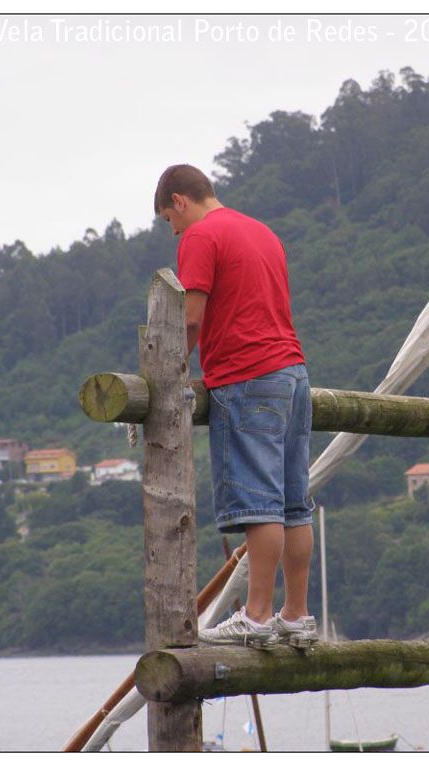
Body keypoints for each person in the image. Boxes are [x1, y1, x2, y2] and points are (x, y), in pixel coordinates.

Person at [153, 164, 317, 649]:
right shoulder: (262, 231)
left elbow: (191, 317)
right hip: (294, 374)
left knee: (261, 504)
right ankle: (296, 615)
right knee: (293, 504)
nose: (174, 231)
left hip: (249, 377)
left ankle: (258, 614)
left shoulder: (202, 236)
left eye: (169, 220)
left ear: (180, 201)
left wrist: (166, 371)